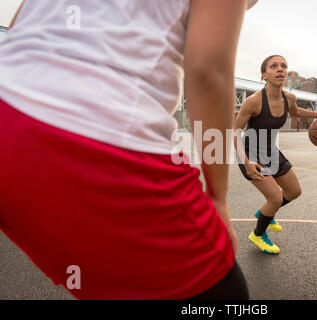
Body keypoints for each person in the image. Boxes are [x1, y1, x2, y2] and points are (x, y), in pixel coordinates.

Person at [0, 0, 258, 300]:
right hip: (88, 139)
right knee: (220, 290)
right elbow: (208, 72)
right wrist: (217, 197)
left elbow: (18, 27)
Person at [233, 55, 317, 254]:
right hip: (250, 154)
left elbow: (295, 112)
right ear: (264, 75)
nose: (280, 69)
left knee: (294, 192)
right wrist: (247, 162)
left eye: (283, 66)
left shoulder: (289, 98)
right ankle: (258, 235)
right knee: (276, 198)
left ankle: (264, 213)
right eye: (274, 66)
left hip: (270, 150)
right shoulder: (253, 102)